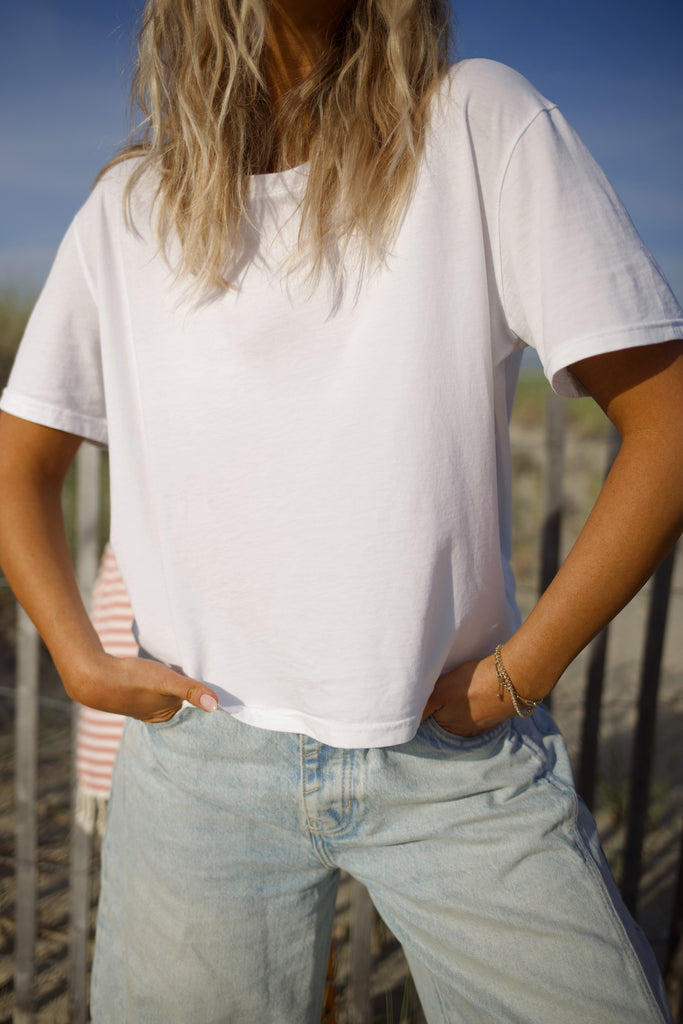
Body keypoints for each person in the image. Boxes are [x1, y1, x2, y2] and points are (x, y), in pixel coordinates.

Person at [0, 1, 681, 1020]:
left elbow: (664, 424)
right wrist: (73, 651)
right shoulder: (129, 207)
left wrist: (519, 671)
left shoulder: (477, 125)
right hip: (200, 763)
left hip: (452, 752)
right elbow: (21, 464)